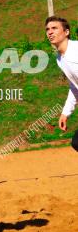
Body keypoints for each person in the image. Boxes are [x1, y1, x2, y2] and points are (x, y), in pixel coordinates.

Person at [45, 15, 78, 151]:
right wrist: (65, 113)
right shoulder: (60, 59)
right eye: (47, 29)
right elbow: (75, 87)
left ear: (66, 32)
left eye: (54, 28)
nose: (50, 32)